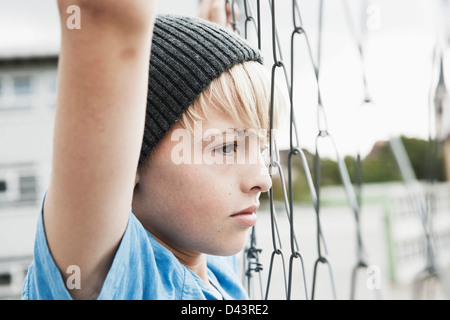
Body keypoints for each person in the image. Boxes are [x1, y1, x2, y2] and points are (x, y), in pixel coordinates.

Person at [22, 0, 281, 300]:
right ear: (128, 164)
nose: (264, 179)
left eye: (260, 150)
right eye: (226, 148)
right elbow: (105, 16)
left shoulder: (206, 256)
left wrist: (205, 40)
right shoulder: (120, 278)